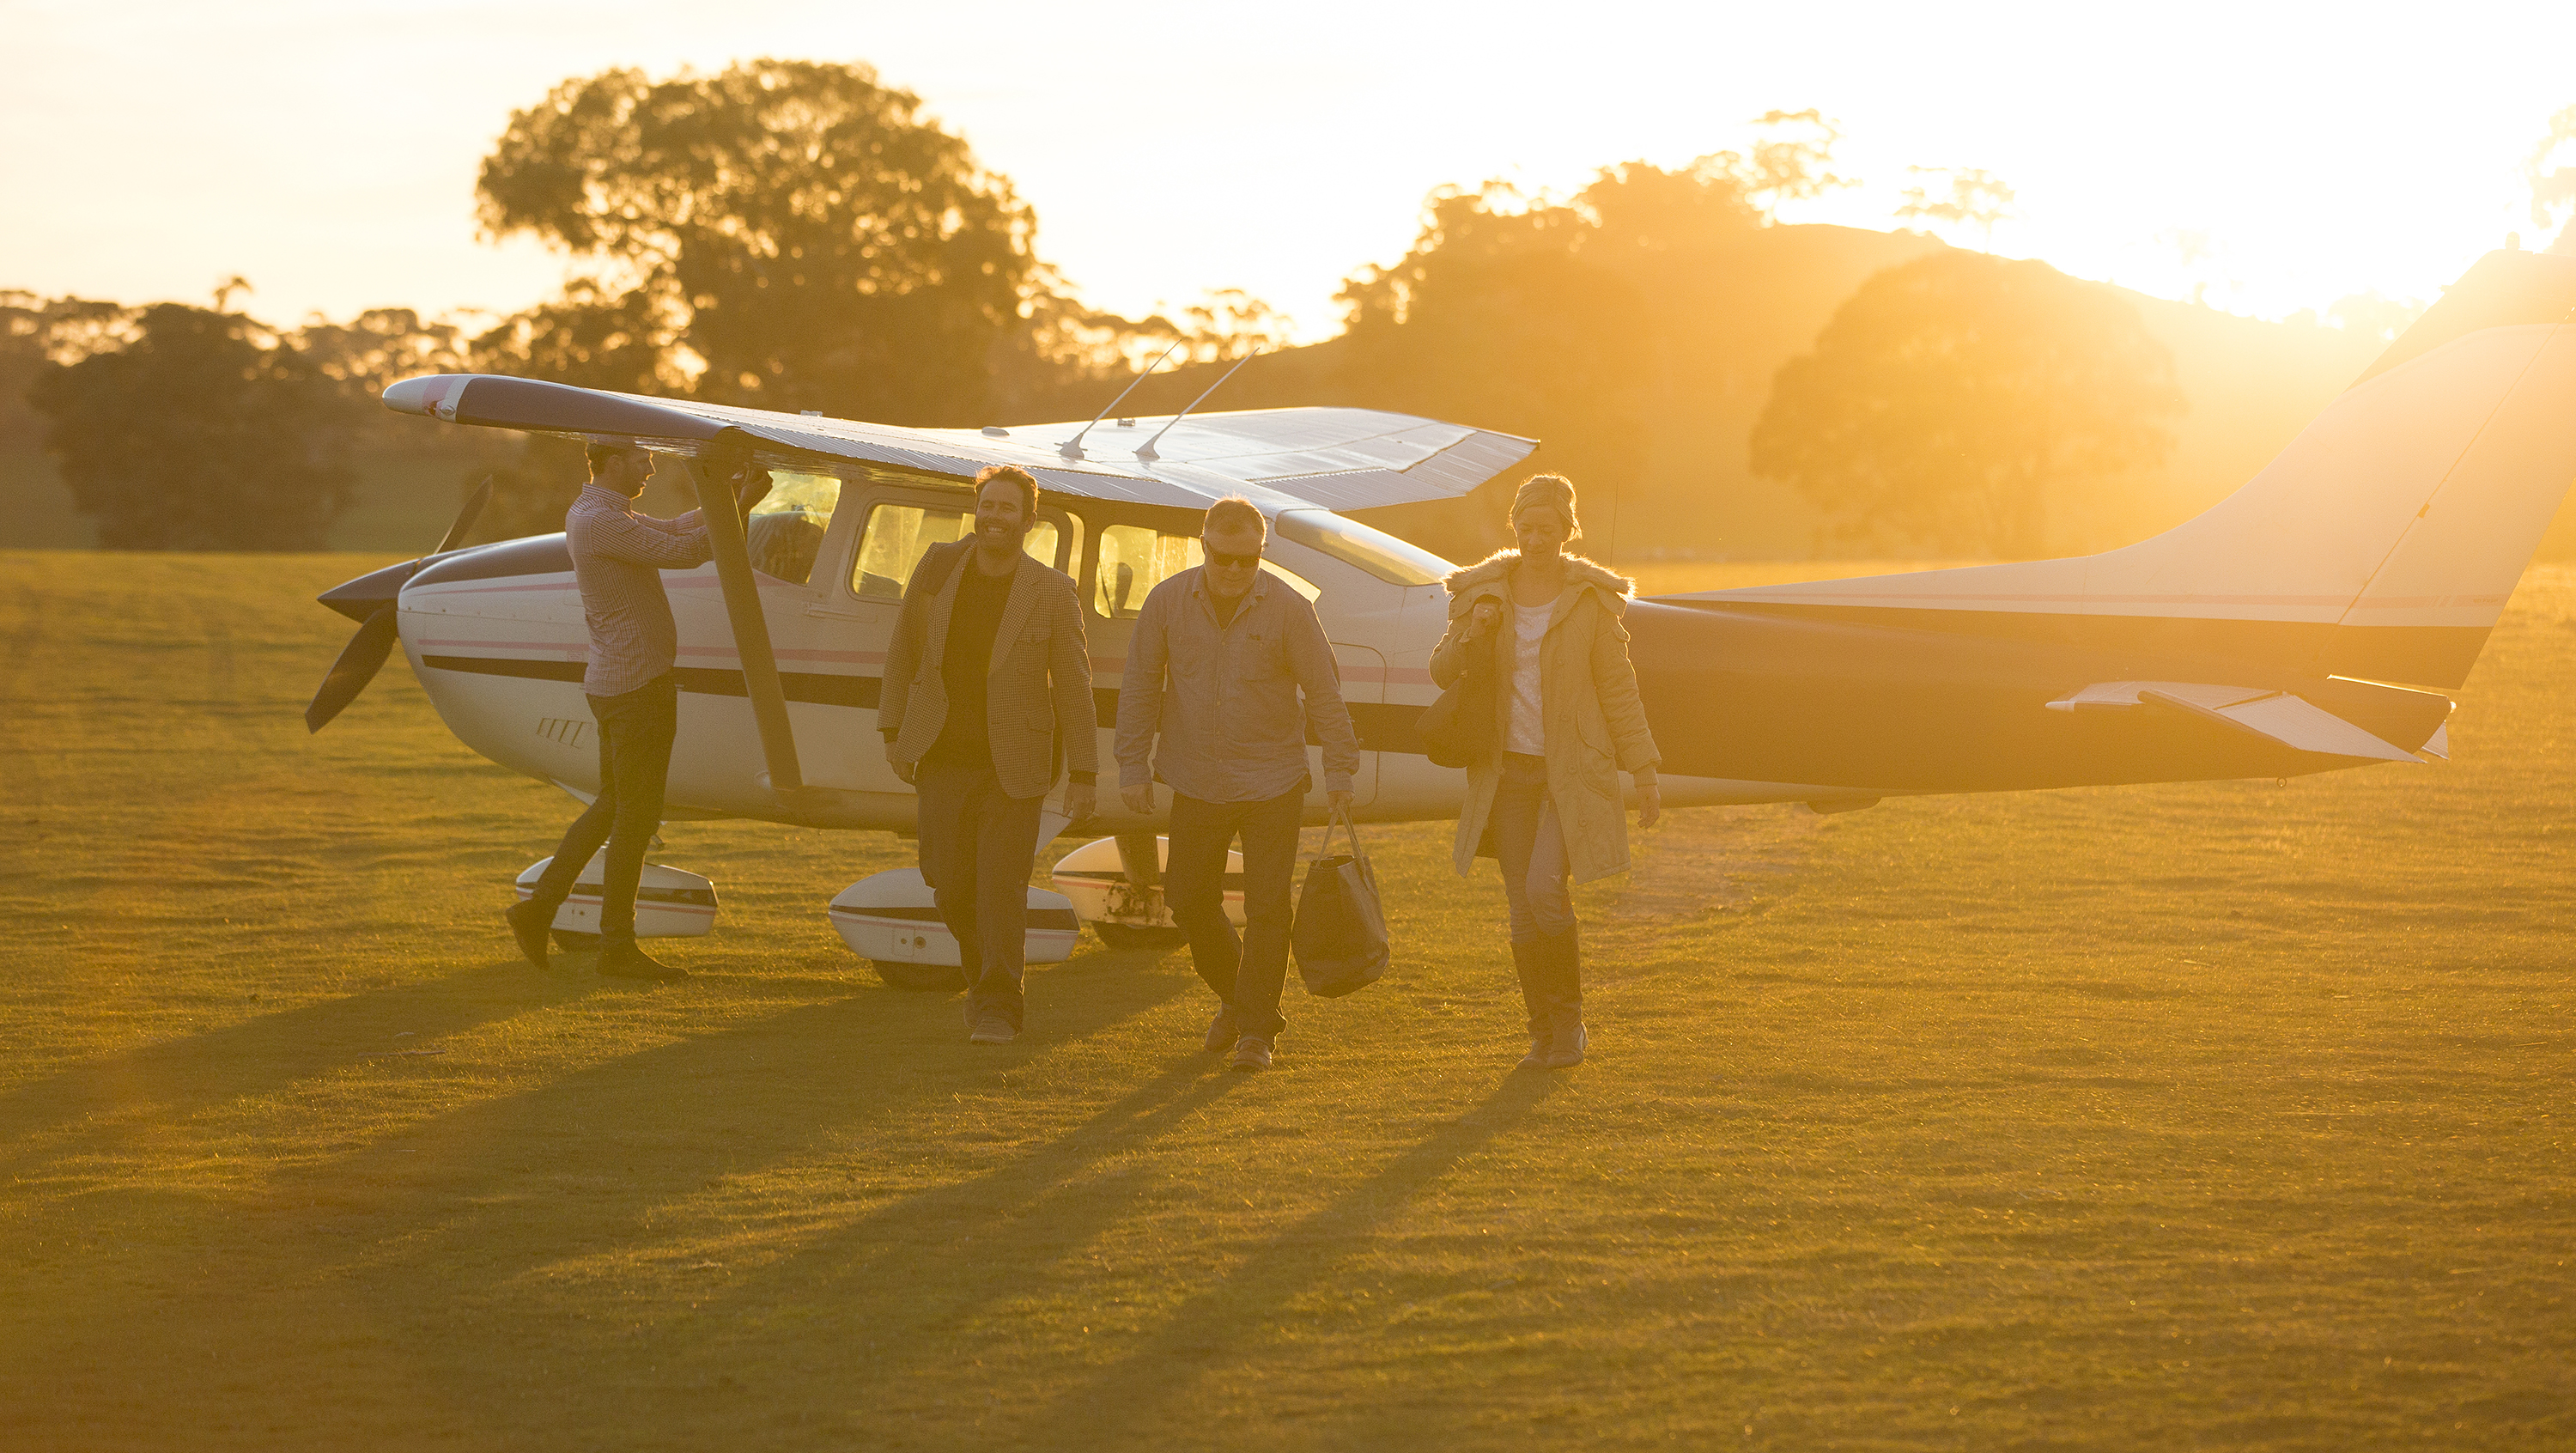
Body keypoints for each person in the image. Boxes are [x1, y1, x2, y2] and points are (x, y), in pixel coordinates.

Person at [506, 439, 772, 981]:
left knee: (612, 806)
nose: (650, 467)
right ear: (611, 461)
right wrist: (739, 504)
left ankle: (538, 911)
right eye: (641, 458)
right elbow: (686, 552)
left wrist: (733, 494)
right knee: (636, 817)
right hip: (636, 687)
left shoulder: (602, 512)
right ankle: (616, 947)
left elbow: (673, 531)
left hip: (620, 681)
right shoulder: (598, 520)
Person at [1116, 497, 1359, 1073]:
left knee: (1268, 906)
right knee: (1186, 900)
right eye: (1223, 558)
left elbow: (1324, 691)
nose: (1233, 570)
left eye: (1247, 560)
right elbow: (1140, 685)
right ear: (1204, 548)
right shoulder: (1167, 601)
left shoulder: (1291, 610)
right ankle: (1243, 1002)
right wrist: (1132, 765)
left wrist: (1341, 769)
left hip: (1273, 781)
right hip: (1195, 779)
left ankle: (1255, 1033)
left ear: (1261, 554)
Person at [1429, 474, 1661, 1068]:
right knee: (1518, 903)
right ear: (1516, 527)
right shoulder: (1485, 594)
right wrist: (1476, 630)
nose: (1536, 539)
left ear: (1566, 531)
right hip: (1506, 773)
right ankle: (1541, 1032)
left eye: (1548, 530)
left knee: (1543, 891)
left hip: (1570, 773)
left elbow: (1618, 688)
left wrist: (1644, 769)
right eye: (1527, 528)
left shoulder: (1589, 600)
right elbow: (1441, 669)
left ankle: (1570, 1023)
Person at [880, 465, 1097, 1044]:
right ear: (976, 511)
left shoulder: (1052, 589)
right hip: (942, 754)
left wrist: (1084, 770)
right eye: (987, 505)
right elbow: (904, 649)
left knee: (1001, 888)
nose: (994, 517)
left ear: (1029, 521)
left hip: (1016, 763)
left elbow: (1074, 683)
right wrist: (891, 731)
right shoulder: (938, 566)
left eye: (1007, 509)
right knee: (948, 885)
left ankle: (1001, 1006)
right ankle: (986, 982)